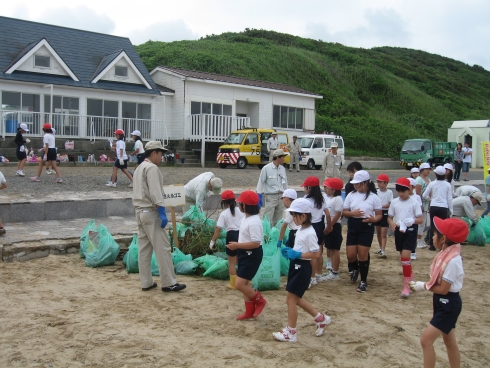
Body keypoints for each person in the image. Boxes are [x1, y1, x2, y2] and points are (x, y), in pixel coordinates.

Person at [409, 217, 468, 368]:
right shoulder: (447, 254)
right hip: (443, 302)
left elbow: (443, 289)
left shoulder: (453, 260)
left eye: (435, 234)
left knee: (425, 341)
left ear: (444, 238)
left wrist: (423, 285)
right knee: (449, 341)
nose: (433, 237)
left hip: (448, 303)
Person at [273, 198, 332, 342]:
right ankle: (321, 318)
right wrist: (291, 251)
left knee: (291, 300)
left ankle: (291, 332)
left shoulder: (310, 233)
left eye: (295, 215)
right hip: (296, 266)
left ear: (304, 216)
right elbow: (302, 248)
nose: (293, 218)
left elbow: (316, 253)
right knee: (296, 299)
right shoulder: (301, 229)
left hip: (302, 268)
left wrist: (298, 254)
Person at [132, 141, 186, 293]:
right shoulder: (152, 168)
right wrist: (162, 211)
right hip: (150, 212)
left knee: (144, 249)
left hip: (139, 212)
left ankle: (146, 282)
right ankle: (169, 282)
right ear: (154, 153)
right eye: (161, 153)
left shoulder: (139, 168)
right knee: (163, 248)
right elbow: (156, 192)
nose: (162, 156)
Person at [226, 190, 266, 320]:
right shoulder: (246, 218)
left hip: (252, 255)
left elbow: (256, 243)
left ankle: (260, 301)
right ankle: (249, 311)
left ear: (246, 205)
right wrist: (238, 248)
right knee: (245, 284)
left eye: (240, 203)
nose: (238, 205)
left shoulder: (254, 221)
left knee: (239, 284)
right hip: (244, 253)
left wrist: (237, 246)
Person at [342, 170, 382, 292]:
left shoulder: (374, 197)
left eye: (358, 184)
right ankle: (355, 268)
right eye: (355, 184)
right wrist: (353, 213)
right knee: (351, 255)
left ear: (366, 183)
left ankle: (363, 281)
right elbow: (344, 212)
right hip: (353, 224)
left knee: (363, 254)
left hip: (367, 225)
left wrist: (374, 219)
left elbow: (379, 214)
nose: (356, 186)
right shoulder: (351, 195)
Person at [387, 178, 423, 298]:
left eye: (403, 191)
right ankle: (411, 281)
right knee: (404, 259)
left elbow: (420, 219)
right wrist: (392, 223)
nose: (401, 194)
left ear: (409, 190)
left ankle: (406, 286)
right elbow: (390, 217)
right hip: (399, 230)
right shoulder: (395, 202)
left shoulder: (414, 202)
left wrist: (412, 220)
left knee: (405, 258)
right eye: (399, 191)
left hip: (410, 231)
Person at [209, 190, 245, 289]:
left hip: (231, 236)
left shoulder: (224, 214)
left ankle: (233, 284)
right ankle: (243, 282)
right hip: (242, 236)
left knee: (232, 262)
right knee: (241, 260)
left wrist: (212, 241)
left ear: (224, 202)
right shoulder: (241, 211)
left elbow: (218, 229)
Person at [300, 176, 331, 287]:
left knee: (310, 253)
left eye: (305, 187)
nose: (304, 189)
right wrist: (329, 226)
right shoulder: (321, 199)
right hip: (319, 225)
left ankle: (312, 277)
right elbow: (327, 214)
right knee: (318, 250)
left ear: (309, 188)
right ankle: (318, 273)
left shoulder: (306, 200)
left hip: (310, 226)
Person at [423, 166, 453, 251]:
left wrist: (431, 199)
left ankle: (431, 245)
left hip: (434, 206)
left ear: (436, 174)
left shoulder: (432, 183)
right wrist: (451, 210)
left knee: (433, 226)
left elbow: (425, 195)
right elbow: (449, 199)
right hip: (443, 207)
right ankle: (441, 245)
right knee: (443, 227)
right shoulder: (447, 184)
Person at [256, 149, 289, 226]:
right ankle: (266, 235)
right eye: (282, 157)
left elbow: (285, 183)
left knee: (278, 221)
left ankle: (276, 236)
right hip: (271, 196)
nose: (284, 159)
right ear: (277, 157)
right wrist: (258, 194)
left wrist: (286, 194)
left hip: (281, 196)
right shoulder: (266, 168)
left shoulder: (282, 169)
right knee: (267, 219)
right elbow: (261, 181)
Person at [323, 177, 344, 281]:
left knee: (335, 249)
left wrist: (330, 226)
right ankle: (331, 269)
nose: (326, 189)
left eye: (328, 188)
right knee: (330, 248)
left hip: (334, 226)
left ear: (334, 189)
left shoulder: (338, 199)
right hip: (329, 225)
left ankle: (335, 272)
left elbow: (338, 214)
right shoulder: (329, 198)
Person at [374, 174, 393, 258]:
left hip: (385, 213)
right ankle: (381, 247)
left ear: (386, 183)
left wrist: (381, 206)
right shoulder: (376, 192)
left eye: (381, 182)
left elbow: (390, 203)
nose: (379, 184)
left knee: (383, 233)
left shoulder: (389, 192)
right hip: (378, 213)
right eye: (378, 182)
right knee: (378, 232)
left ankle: (383, 250)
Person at [416, 163, 431, 248]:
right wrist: (420, 205)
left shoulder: (428, 179)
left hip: (426, 203)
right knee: (421, 222)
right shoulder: (419, 179)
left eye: (429, 169)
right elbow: (418, 194)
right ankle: (418, 240)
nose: (428, 170)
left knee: (423, 223)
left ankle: (419, 240)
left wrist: (429, 204)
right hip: (421, 204)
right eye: (426, 169)